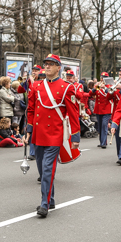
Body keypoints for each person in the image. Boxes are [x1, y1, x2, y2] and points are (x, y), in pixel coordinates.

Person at [25, 54, 80, 218]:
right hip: (38, 134)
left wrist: (75, 137)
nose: (47, 66)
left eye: (51, 64)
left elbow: (73, 113)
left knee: (48, 169)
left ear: (58, 67)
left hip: (55, 135)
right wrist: (28, 131)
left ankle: (44, 204)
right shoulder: (36, 86)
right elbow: (31, 109)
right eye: (46, 64)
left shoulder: (67, 87)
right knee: (42, 171)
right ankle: (51, 199)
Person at [90, 72, 113, 149]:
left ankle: (104, 143)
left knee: (104, 125)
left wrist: (105, 88)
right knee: (100, 126)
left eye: (104, 77)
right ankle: (101, 142)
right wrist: (95, 88)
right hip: (99, 109)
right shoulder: (98, 86)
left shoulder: (110, 87)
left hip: (106, 110)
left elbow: (110, 96)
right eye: (102, 77)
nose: (102, 79)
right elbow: (90, 94)